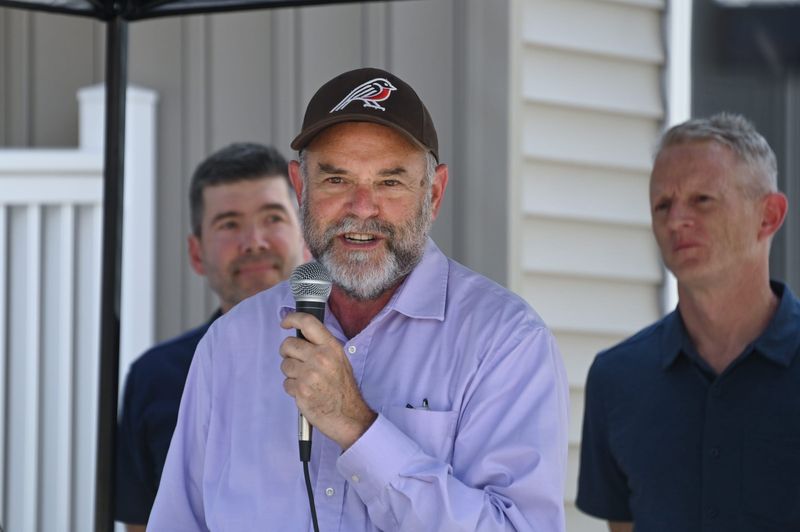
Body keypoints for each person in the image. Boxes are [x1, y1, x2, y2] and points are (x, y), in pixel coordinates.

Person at [149, 67, 569, 531]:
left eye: (390, 182)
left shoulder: (505, 341)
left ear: (433, 194)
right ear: (301, 187)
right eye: (336, 180)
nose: (362, 207)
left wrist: (359, 428)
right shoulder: (231, 342)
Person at [576, 113, 798, 532]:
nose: (676, 219)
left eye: (702, 200)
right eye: (663, 204)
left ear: (768, 216)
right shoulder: (617, 379)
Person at [115, 142, 307, 531]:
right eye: (229, 224)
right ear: (197, 253)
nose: (254, 241)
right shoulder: (155, 377)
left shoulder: (351, 357)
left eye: (273, 218)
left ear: (306, 239)